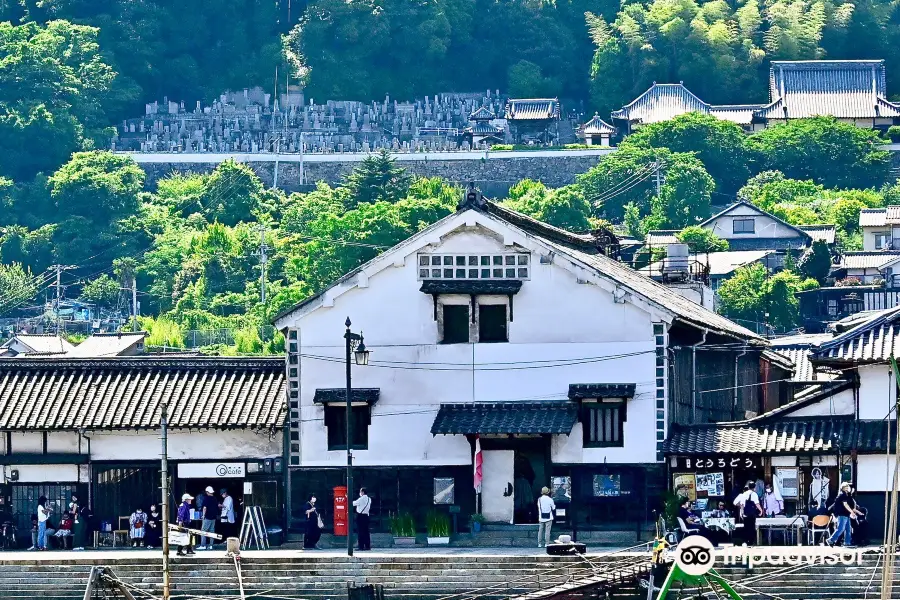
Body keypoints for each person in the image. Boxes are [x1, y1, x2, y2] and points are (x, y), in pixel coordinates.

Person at [827, 482, 863, 547]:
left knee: (848, 529)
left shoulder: (847, 495)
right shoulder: (843, 495)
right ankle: (831, 540)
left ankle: (847, 542)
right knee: (841, 528)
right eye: (846, 487)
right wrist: (852, 512)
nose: (848, 488)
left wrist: (854, 512)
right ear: (843, 488)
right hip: (842, 514)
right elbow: (845, 504)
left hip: (846, 514)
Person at [734, 480, 762, 546]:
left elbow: (738, 504)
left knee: (746, 527)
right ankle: (751, 542)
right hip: (752, 514)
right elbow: (757, 504)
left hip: (745, 514)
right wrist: (761, 510)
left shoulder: (744, 494)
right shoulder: (754, 494)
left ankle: (745, 541)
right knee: (752, 528)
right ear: (754, 487)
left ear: (748, 487)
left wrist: (741, 508)